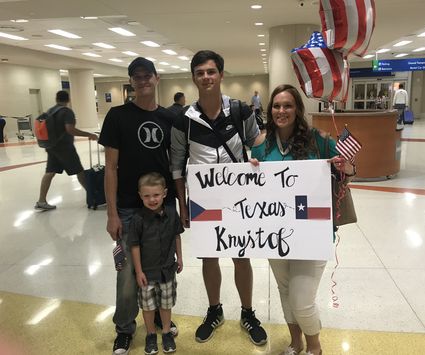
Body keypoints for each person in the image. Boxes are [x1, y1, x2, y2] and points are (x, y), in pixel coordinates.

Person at [170, 50, 267, 345]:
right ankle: (215, 310)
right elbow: (176, 167)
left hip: (239, 199)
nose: (206, 77)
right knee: (209, 258)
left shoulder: (239, 111)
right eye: (200, 73)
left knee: (241, 256)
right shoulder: (184, 120)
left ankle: (248, 313)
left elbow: (259, 146)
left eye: (211, 72)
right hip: (204, 202)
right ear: (193, 78)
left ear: (221, 75)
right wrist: (182, 204)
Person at [251, 84, 355, 355]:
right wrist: (250, 171)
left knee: (302, 299)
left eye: (287, 105)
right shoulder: (261, 144)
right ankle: (296, 342)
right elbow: (254, 189)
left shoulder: (317, 139)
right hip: (275, 233)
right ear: (270, 109)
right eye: (276, 106)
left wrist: (346, 166)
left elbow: (347, 170)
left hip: (311, 232)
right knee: (285, 290)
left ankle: (315, 347)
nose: (281, 111)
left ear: (297, 109)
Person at [99, 57, 178, 355]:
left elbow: (177, 165)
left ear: (157, 79)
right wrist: (111, 213)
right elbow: (110, 168)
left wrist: (178, 206)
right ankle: (124, 328)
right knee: (129, 274)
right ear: (131, 82)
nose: (143, 81)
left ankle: (158, 319)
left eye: (148, 76)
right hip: (130, 211)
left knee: (160, 269)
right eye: (137, 77)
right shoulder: (117, 116)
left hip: (162, 210)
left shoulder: (170, 118)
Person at [128, 172, 184, 354]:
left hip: (167, 270)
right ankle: (151, 334)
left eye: (156, 195)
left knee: (166, 304)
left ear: (165, 193)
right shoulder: (137, 220)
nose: (152, 199)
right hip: (147, 273)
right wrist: (138, 272)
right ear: (140, 196)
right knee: (148, 307)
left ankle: (166, 332)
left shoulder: (171, 214)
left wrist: (180, 257)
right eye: (146, 196)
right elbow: (134, 246)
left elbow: (177, 236)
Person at [35, 90, 98, 211]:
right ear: (68, 99)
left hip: (52, 146)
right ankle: (93, 196)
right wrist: (89, 134)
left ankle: (41, 201)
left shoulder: (50, 111)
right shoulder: (67, 112)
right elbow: (70, 129)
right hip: (65, 148)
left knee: (50, 172)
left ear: (56, 99)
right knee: (79, 171)